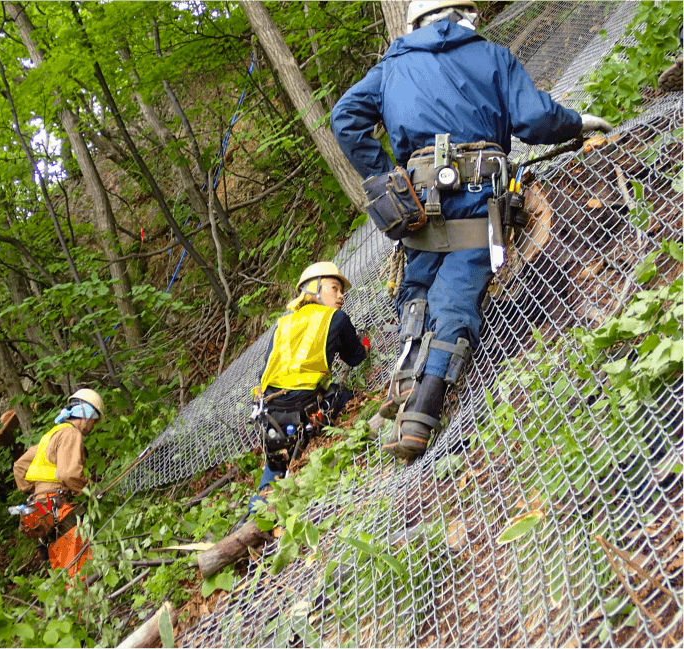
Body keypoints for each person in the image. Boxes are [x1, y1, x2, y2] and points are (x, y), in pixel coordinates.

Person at [330, 0, 613, 460]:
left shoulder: (391, 68)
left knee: (416, 283)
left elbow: (345, 119)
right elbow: (535, 120)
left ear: (416, 22)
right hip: (480, 195)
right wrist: (577, 122)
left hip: (417, 200)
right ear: (464, 15)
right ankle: (424, 409)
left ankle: (406, 374)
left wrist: (386, 177)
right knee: (459, 289)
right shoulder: (492, 56)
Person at [248, 262, 367, 512]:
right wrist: (364, 344)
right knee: (344, 395)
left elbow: (267, 368)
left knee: (274, 464)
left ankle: (256, 515)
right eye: (334, 288)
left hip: (270, 409)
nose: (340, 295)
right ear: (313, 289)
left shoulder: (284, 323)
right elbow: (355, 358)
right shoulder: (336, 317)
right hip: (306, 406)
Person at [12, 388, 104, 577]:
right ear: (87, 415)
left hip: (41, 507)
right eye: (93, 422)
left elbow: (20, 467)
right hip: (57, 505)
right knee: (78, 566)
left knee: (63, 566)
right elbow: (69, 474)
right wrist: (91, 491)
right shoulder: (71, 434)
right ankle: (82, 602)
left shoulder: (50, 437)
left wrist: (37, 488)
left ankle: (71, 602)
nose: (92, 427)